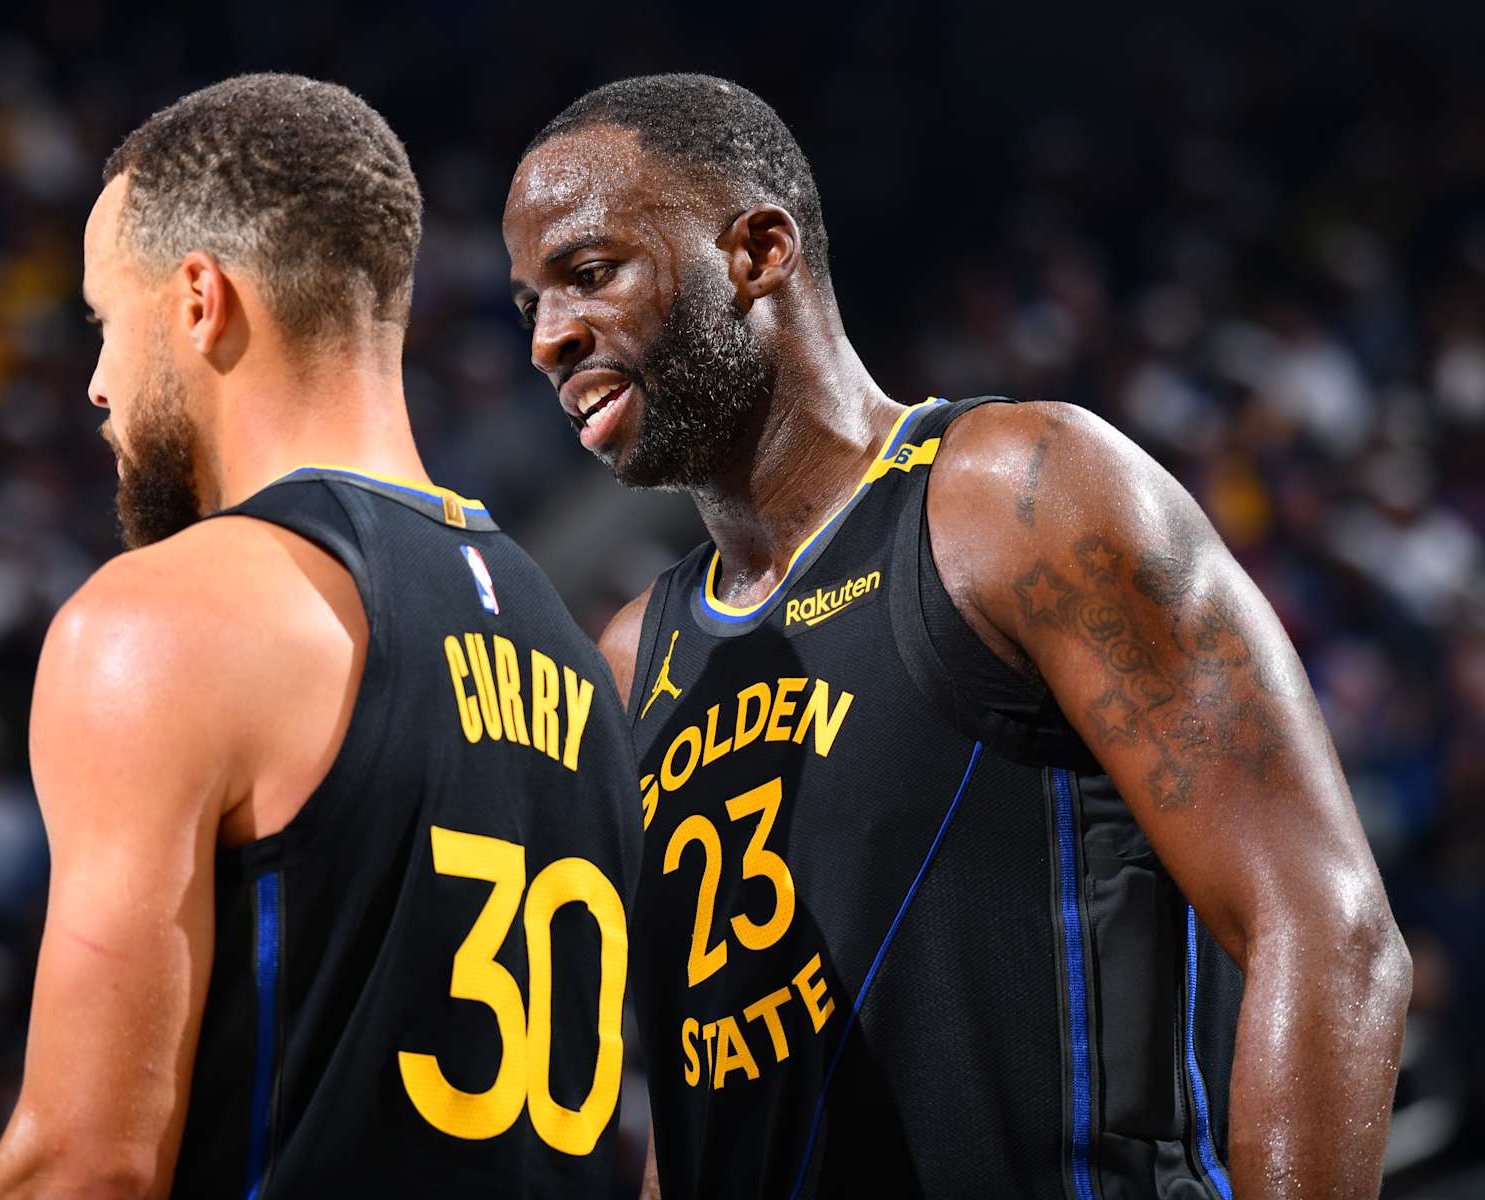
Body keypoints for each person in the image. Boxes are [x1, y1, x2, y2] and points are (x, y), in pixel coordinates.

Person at [502, 74, 1411, 1199]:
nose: (549, 339)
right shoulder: (636, 661)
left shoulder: (1020, 498)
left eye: (589, 274)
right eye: (528, 301)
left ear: (757, 251)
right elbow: (705, 1112)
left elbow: (1324, 930)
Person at [0, 74, 641, 1199]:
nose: (95, 384)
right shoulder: (574, 654)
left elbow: (87, 1163)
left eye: (104, 321)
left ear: (199, 300)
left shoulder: (168, 620)